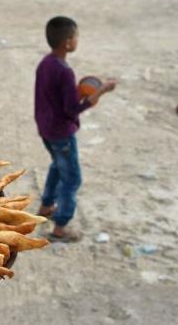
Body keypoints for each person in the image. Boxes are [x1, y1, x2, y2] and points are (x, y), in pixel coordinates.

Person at [34, 16, 116, 243]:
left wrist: (76, 92)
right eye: (76, 36)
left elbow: (52, 97)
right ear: (67, 43)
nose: (77, 40)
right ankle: (60, 227)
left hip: (46, 129)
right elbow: (72, 110)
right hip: (61, 132)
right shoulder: (65, 72)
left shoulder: (45, 63)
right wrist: (101, 92)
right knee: (72, 179)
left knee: (58, 166)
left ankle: (46, 206)